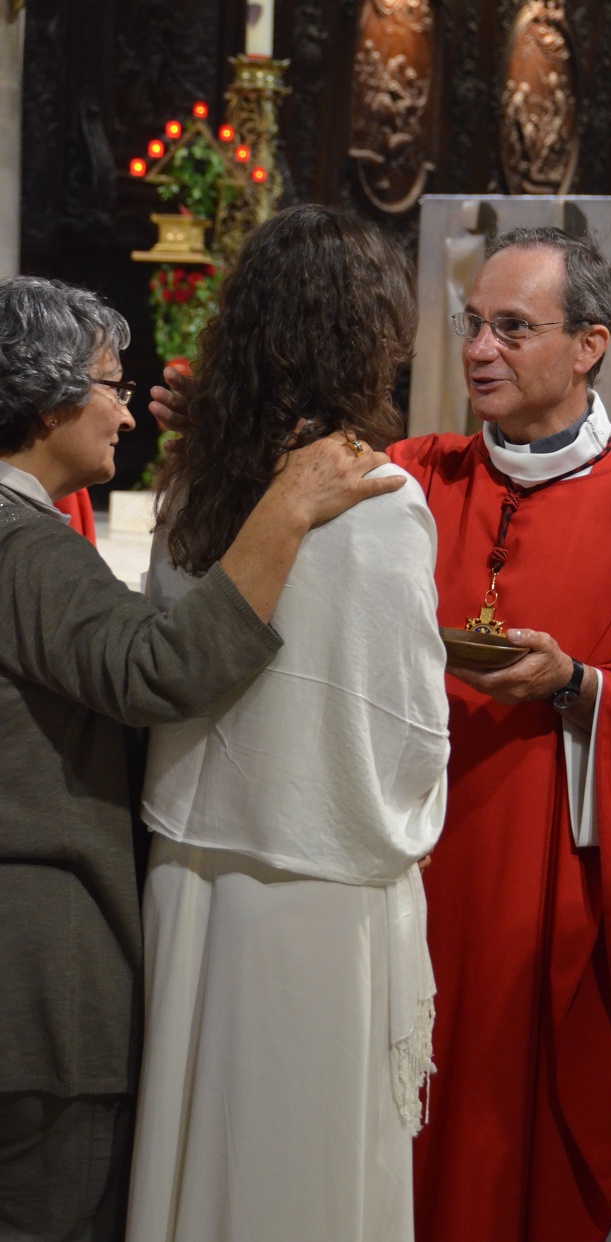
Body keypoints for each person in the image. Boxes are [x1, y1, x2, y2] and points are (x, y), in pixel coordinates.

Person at [0, 274, 404, 1242]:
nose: (126, 406)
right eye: (110, 383)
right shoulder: (24, 547)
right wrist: (289, 505)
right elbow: (160, 668)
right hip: (40, 992)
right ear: (53, 400)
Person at [385, 227, 611, 1242]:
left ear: (587, 345)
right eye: (471, 325)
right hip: (409, 873)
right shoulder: (413, 479)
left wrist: (582, 688)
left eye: (512, 327)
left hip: (549, 894)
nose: (478, 350)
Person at [125, 205, 450, 1242]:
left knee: (193, 1145)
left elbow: (169, 659)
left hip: (188, 869)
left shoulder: (198, 485)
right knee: (298, 1173)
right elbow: (405, 726)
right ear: (368, 336)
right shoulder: (379, 500)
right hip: (316, 890)